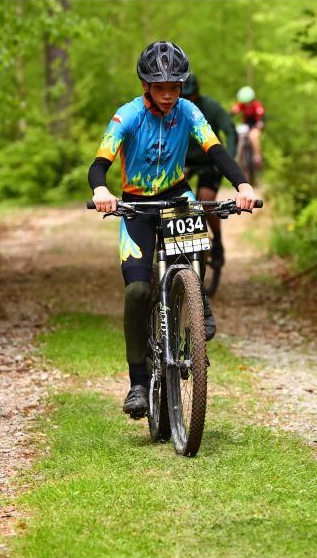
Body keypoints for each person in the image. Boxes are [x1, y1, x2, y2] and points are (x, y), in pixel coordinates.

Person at [89, 41, 259, 418]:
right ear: (146, 86)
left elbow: (216, 151)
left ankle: (198, 305)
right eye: (160, 87)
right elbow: (99, 163)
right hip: (136, 204)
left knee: (194, 245)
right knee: (137, 290)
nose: (168, 95)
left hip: (177, 195)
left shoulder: (189, 111)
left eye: (175, 87)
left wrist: (243, 185)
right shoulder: (128, 115)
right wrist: (101, 190)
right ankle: (137, 383)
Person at [182, 74, 238, 267]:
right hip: (184, 161)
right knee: (174, 199)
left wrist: (228, 160)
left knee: (205, 201)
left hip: (210, 161)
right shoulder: (174, 108)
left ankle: (218, 243)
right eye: (185, 97)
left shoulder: (212, 107)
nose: (189, 100)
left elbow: (230, 131)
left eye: (192, 96)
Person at [231, 85, 265, 169]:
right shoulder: (241, 105)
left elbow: (262, 117)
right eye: (245, 102)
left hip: (256, 126)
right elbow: (233, 112)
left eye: (248, 102)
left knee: (253, 136)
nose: (247, 104)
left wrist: (260, 124)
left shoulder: (257, 105)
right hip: (246, 125)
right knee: (238, 136)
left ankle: (257, 157)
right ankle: (237, 158)